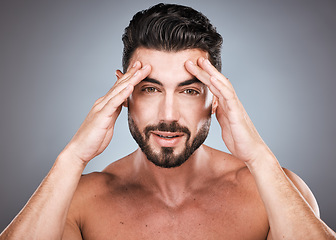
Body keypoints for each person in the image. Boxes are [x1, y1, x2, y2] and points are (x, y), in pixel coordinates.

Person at [1, 3, 335, 240]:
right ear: (123, 92)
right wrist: (72, 158)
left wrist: (259, 157)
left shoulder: (274, 191)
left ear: (217, 95)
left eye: (189, 91)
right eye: (149, 89)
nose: (168, 115)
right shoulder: (77, 201)